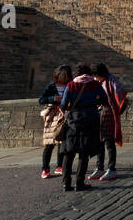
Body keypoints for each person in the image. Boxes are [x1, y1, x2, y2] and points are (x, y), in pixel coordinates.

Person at [61, 63, 108, 192]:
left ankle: (66, 183)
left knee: (68, 153)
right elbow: (105, 100)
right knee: (84, 152)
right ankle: (79, 183)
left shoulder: (71, 85)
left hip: (73, 121)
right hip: (90, 120)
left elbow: (63, 104)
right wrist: (93, 103)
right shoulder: (95, 84)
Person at [90, 63, 128, 181]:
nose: (95, 78)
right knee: (99, 143)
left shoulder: (112, 81)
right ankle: (99, 167)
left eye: (96, 76)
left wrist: (115, 113)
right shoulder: (100, 82)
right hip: (99, 114)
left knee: (109, 142)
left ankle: (112, 168)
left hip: (108, 113)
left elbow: (122, 98)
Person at [38, 64, 71, 179]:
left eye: (65, 76)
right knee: (49, 143)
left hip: (64, 115)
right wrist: (53, 99)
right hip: (52, 116)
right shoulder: (51, 86)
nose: (63, 78)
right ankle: (45, 169)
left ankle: (59, 166)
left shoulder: (70, 85)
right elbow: (41, 100)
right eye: (61, 75)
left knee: (61, 142)